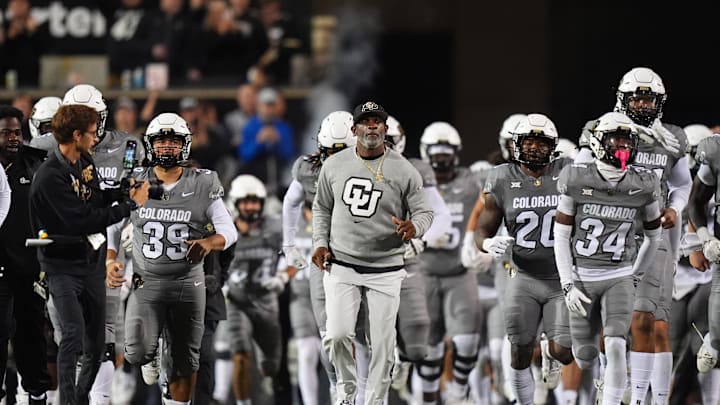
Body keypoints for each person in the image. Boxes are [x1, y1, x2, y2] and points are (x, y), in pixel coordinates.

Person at [105, 112, 237, 405]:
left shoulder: (203, 182)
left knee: (187, 362)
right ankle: (151, 353)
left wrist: (208, 242)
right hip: (146, 281)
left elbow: (230, 231)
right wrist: (110, 258)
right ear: (150, 145)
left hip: (187, 283)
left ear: (185, 145)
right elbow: (112, 224)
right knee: (136, 352)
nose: (167, 146)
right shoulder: (135, 180)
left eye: (173, 141)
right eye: (161, 140)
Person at [577, 67, 691, 404]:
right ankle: (608, 384)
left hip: (653, 238)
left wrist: (675, 207)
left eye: (648, 98)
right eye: (636, 97)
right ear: (622, 99)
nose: (642, 104)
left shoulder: (671, 139)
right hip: (610, 238)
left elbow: (682, 184)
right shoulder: (604, 128)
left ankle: (642, 399)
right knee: (608, 329)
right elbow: (577, 175)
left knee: (648, 321)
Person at [311, 101, 433, 404]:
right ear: (354, 130)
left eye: (377, 121)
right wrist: (319, 242)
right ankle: (347, 390)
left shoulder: (404, 169)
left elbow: (425, 212)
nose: (372, 126)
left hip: (386, 267)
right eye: (365, 122)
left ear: (385, 128)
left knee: (382, 344)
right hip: (342, 262)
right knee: (337, 334)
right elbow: (322, 207)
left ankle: (376, 400)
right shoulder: (334, 164)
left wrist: (414, 227)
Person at [28, 104, 149, 405]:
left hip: (89, 263)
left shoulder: (84, 160)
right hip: (61, 265)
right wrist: (132, 206)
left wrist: (121, 192)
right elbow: (83, 219)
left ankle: (80, 397)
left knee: (96, 345)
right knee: (71, 335)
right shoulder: (49, 176)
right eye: (93, 133)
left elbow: (94, 199)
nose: (98, 138)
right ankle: (68, 402)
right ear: (76, 134)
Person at [554, 111, 662, 405]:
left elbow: (655, 236)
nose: (622, 147)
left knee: (616, 344)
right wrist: (567, 284)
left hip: (618, 276)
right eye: (616, 139)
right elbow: (561, 236)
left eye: (627, 140)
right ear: (600, 142)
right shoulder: (575, 177)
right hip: (582, 277)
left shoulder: (643, 184)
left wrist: (636, 275)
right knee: (585, 357)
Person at [473, 113, 574, 405]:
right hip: (521, 274)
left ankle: (550, 355)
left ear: (553, 146)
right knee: (518, 346)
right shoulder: (502, 177)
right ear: (516, 144)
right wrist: (487, 242)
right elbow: (482, 227)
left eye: (541, 143)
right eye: (528, 142)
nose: (533, 149)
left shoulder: (567, 170)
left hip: (558, 276)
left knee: (564, 351)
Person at [62, 83, 147, 405]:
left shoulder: (126, 146)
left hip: (114, 250)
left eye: (92, 117)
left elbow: (137, 194)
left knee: (106, 332)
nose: (87, 125)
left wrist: (131, 230)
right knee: (68, 337)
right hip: (67, 252)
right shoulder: (52, 153)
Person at [281, 110, 355, 402]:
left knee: (365, 336)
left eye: (341, 153)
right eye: (329, 152)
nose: (333, 160)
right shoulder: (308, 169)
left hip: (367, 261)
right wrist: (288, 245)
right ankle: (341, 388)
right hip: (325, 262)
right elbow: (290, 202)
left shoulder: (380, 166)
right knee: (330, 336)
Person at [412, 121, 483, 404]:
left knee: (467, 343)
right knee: (428, 351)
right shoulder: (414, 183)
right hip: (424, 272)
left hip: (459, 272)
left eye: (446, 151)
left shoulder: (471, 181)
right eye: (436, 151)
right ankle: (427, 398)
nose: (441, 158)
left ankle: (458, 391)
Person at [223, 174, 291, 405]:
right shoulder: (225, 230)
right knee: (240, 354)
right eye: (246, 202)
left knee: (270, 367)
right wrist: (218, 285)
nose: (251, 207)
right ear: (235, 203)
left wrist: (282, 276)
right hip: (236, 301)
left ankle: (267, 383)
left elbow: (296, 255)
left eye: (255, 202)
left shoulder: (273, 227)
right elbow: (207, 261)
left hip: (266, 300)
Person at [0, 106, 50, 405]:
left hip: (31, 269)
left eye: (17, 132)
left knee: (31, 339)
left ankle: (36, 395)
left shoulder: (38, 165)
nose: (13, 139)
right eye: (5, 133)